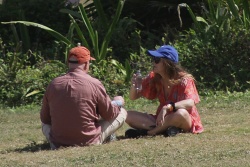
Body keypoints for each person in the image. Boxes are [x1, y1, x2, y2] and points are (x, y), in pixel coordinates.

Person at [40, 46, 127, 149]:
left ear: (69, 63)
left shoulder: (53, 84)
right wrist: (118, 102)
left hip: (57, 143)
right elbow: (109, 114)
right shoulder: (94, 83)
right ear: (86, 64)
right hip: (88, 141)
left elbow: (45, 119)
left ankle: (59, 140)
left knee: (44, 125)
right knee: (122, 112)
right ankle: (105, 136)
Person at [125, 45, 203, 138]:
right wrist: (134, 86)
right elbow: (133, 97)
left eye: (157, 60)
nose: (154, 63)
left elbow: (190, 102)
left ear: (167, 63)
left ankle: (150, 132)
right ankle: (167, 129)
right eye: (153, 59)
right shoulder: (154, 78)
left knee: (181, 113)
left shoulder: (184, 79)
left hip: (183, 119)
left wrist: (167, 108)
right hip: (161, 120)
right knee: (127, 115)